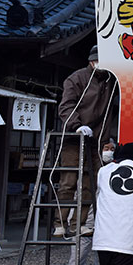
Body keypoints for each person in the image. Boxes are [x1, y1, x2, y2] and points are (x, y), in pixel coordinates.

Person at [55, 46, 118, 236]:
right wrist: (76, 125)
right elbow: (65, 106)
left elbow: (113, 112)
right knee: (68, 181)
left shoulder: (111, 81)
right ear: (91, 61)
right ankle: (60, 223)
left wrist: (110, 139)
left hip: (97, 140)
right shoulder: (77, 78)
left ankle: (79, 223)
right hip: (74, 138)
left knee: (90, 184)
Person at [68, 139, 118, 265]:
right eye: (106, 148)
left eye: (112, 148)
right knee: (79, 251)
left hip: (105, 216)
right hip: (84, 212)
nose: (109, 151)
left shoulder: (114, 168)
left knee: (103, 253)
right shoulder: (87, 165)